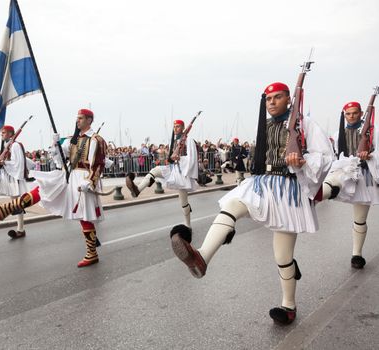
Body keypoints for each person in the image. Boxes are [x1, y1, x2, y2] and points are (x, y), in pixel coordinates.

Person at [169, 82, 333, 325]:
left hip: (287, 188)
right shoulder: (264, 126)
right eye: (268, 99)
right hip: (262, 182)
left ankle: (288, 305)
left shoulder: (304, 125)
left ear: (289, 99)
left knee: (283, 256)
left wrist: (302, 161)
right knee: (232, 204)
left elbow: (325, 156)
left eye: (278, 98)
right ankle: (202, 257)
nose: (272, 102)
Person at [0, 109, 107, 268]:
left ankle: (92, 253)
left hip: (82, 179)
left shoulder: (96, 139)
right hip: (68, 175)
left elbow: (98, 164)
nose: (77, 121)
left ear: (89, 120)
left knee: (84, 216)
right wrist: (57, 146)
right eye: (77, 118)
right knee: (44, 188)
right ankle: (6, 209)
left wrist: (90, 182)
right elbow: (61, 159)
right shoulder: (73, 139)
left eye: (81, 118)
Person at [321, 101, 379, 269]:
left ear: (361, 114)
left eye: (355, 113)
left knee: (360, 219)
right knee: (331, 184)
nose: (351, 116)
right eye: (348, 113)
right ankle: (316, 196)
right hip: (344, 173)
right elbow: (335, 156)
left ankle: (357, 254)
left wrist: (369, 156)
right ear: (344, 115)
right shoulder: (338, 134)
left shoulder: (372, 132)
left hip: (364, 176)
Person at [125, 119, 199, 228]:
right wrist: (169, 160)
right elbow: (171, 157)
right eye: (174, 126)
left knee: (183, 202)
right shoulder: (174, 141)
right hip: (173, 169)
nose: (175, 128)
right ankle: (137, 190)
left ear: (183, 128)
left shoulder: (189, 140)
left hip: (183, 173)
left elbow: (192, 158)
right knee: (154, 171)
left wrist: (180, 158)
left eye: (178, 126)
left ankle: (188, 225)